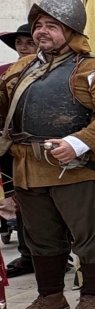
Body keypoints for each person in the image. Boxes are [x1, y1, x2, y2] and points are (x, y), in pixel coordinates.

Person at [2, 0, 95, 309]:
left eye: (51, 26)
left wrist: (78, 142)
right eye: (38, 25)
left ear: (71, 31)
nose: (42, 31)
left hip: (76, 167)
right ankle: (50, 297)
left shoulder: (94, 68)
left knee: (90, 235)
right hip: (28, 166)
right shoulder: (21, 68)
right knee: (40, 236)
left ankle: (92, 297)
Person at [2, 23, 38, 279]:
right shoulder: (7, 73)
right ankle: (28, 255)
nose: (23, 47)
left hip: (41, 144)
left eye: (29, 43)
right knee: (21, 201)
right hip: (12, 146)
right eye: (20, 43)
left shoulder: (47, 70)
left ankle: (53, 254)